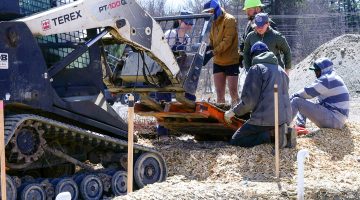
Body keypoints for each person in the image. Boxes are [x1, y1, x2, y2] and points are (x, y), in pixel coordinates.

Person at [224, 41, 292, 148]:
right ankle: (283, 131)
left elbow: (249, 102)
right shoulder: (281, 70)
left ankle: (271, 135)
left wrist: (233, 112)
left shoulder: (256, 69)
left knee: (237, 140)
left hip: (265, 119)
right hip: (284, 119)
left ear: (253, 56)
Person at [290, 57, 350, 130]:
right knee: (303, 100)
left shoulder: (326, 79)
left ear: (323, 70)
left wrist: (288, 99)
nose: (316, 73)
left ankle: (281, 126)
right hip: (338, 119)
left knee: (297, 101)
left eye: (317, 71)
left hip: (334, 119)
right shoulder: (334, 77)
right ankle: (300, 126)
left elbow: (307, 93)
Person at [203, 0, 240, 106]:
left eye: (210, 12)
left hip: (231, 62)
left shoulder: (230, 20)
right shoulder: (213, 23)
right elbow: (212, 41)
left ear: (217, 10)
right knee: (219, 94)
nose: (209, 15)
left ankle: (237, 115)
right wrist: (207, 48)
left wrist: (212, 53)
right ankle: (222, 119)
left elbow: (227, 41)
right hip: (218, 62)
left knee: (233, 92)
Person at [239, 0, 277, 67]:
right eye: (246, 10)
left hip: (268, 64)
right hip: (254, 65)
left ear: (257, 9)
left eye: (249, 9)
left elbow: (276, 44)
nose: (247, 12)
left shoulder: (269, 24)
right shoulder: (249, 24)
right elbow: (244, 42)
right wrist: (240, 56)